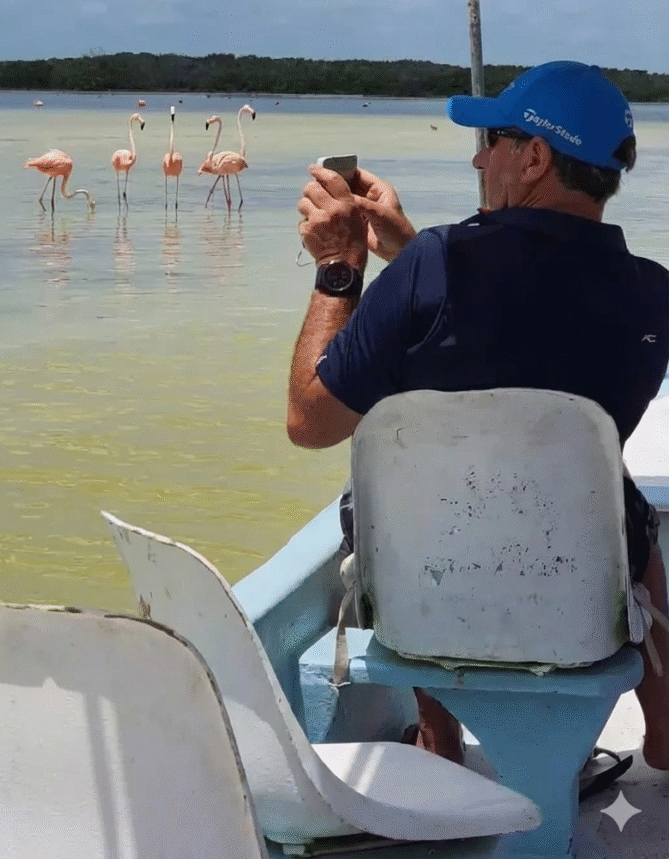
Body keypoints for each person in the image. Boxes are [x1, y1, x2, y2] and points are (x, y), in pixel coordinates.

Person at [287, 60, 669, 770]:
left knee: (406, 488)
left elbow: (310, 422)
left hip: (429, 598)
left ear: (535, 157)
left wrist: (340, 267)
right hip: (579, 598)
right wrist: (409, 248)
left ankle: (439, 735)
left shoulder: (433, 265)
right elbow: (525, 327)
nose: (477, 158)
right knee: (624, 500)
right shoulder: (653, 294)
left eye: (491, 141)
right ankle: (667, 716)